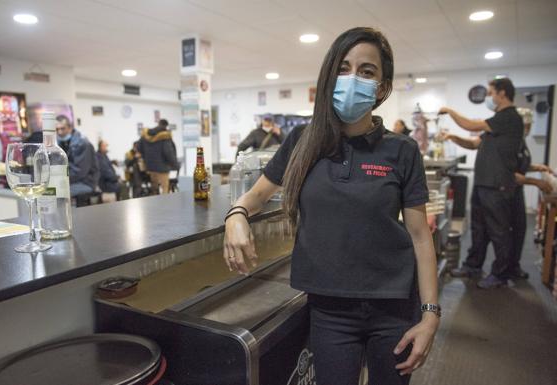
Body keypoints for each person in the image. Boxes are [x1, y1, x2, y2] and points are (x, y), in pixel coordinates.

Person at [223, 27, 439, 385]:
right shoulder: (302, 142)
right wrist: (236, 215)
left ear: (381, 88)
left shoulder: (402, 150)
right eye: (343, 68)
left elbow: (420, 236)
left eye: (366, 72)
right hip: (330, 309)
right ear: (328, 76)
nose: (352, 79)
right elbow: (256, 196)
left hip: (395, 306)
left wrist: (430, 316)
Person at [438, 77, 524, 289]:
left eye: (490, 93)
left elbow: (471, 124)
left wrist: (449, 111)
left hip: (497, 185)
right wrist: (451, 137)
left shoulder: (509, 117)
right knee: (480, 229)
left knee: (499, 231)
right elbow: (474, 143)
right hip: (484, 184)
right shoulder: (496, 122)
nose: (488, 97)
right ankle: (473, 265)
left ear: (502, 93)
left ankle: (501, 274)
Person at [55, 115, 99, 197]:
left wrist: (60, 179)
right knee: (50, 191)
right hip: (71, 180)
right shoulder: (61, 143)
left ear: (70, 128)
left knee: (59, 194)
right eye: (57, 129)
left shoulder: (82, 144)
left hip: (86, 181)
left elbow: (80, 172)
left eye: (62, 128)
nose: (59, 132)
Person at [138, 119, 179, 195]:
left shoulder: (146, 134)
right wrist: (176, 165)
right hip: (163, 168)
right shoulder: (165, 136)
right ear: (166, 125)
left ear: (158, 123)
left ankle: (155, 205)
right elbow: (168, 153)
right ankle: (164, 206)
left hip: (150, 167)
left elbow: (139, 148)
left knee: (154, 189)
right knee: (164, 189)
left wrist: (146, 157)